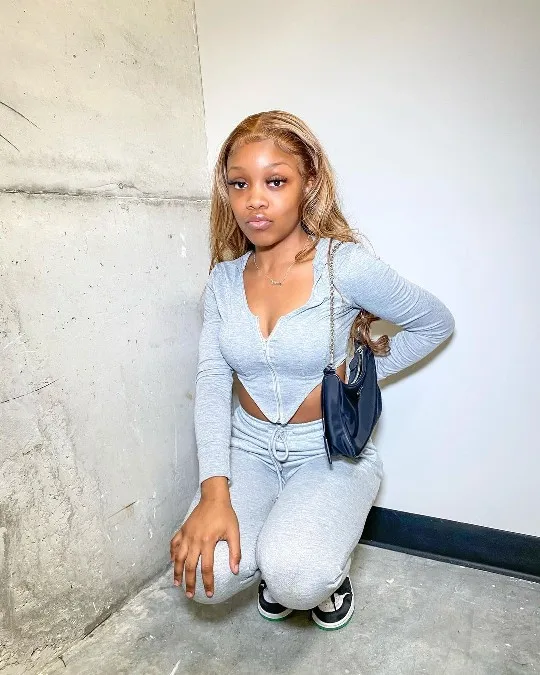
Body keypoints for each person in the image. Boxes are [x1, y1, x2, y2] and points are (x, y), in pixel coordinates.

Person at [170, 110, 455, 631]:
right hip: (247, 447)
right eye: (239, 184)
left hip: (328, 450)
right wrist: (214, 493)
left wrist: (360, 373)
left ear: (309, 183)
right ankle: (277, 545)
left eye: (275, 181)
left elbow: (434, 323)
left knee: (298, 578)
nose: (254, 200)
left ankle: (313, 572)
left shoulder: (343, 266)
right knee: (206, 576)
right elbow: (211, 382)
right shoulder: (223, 281)